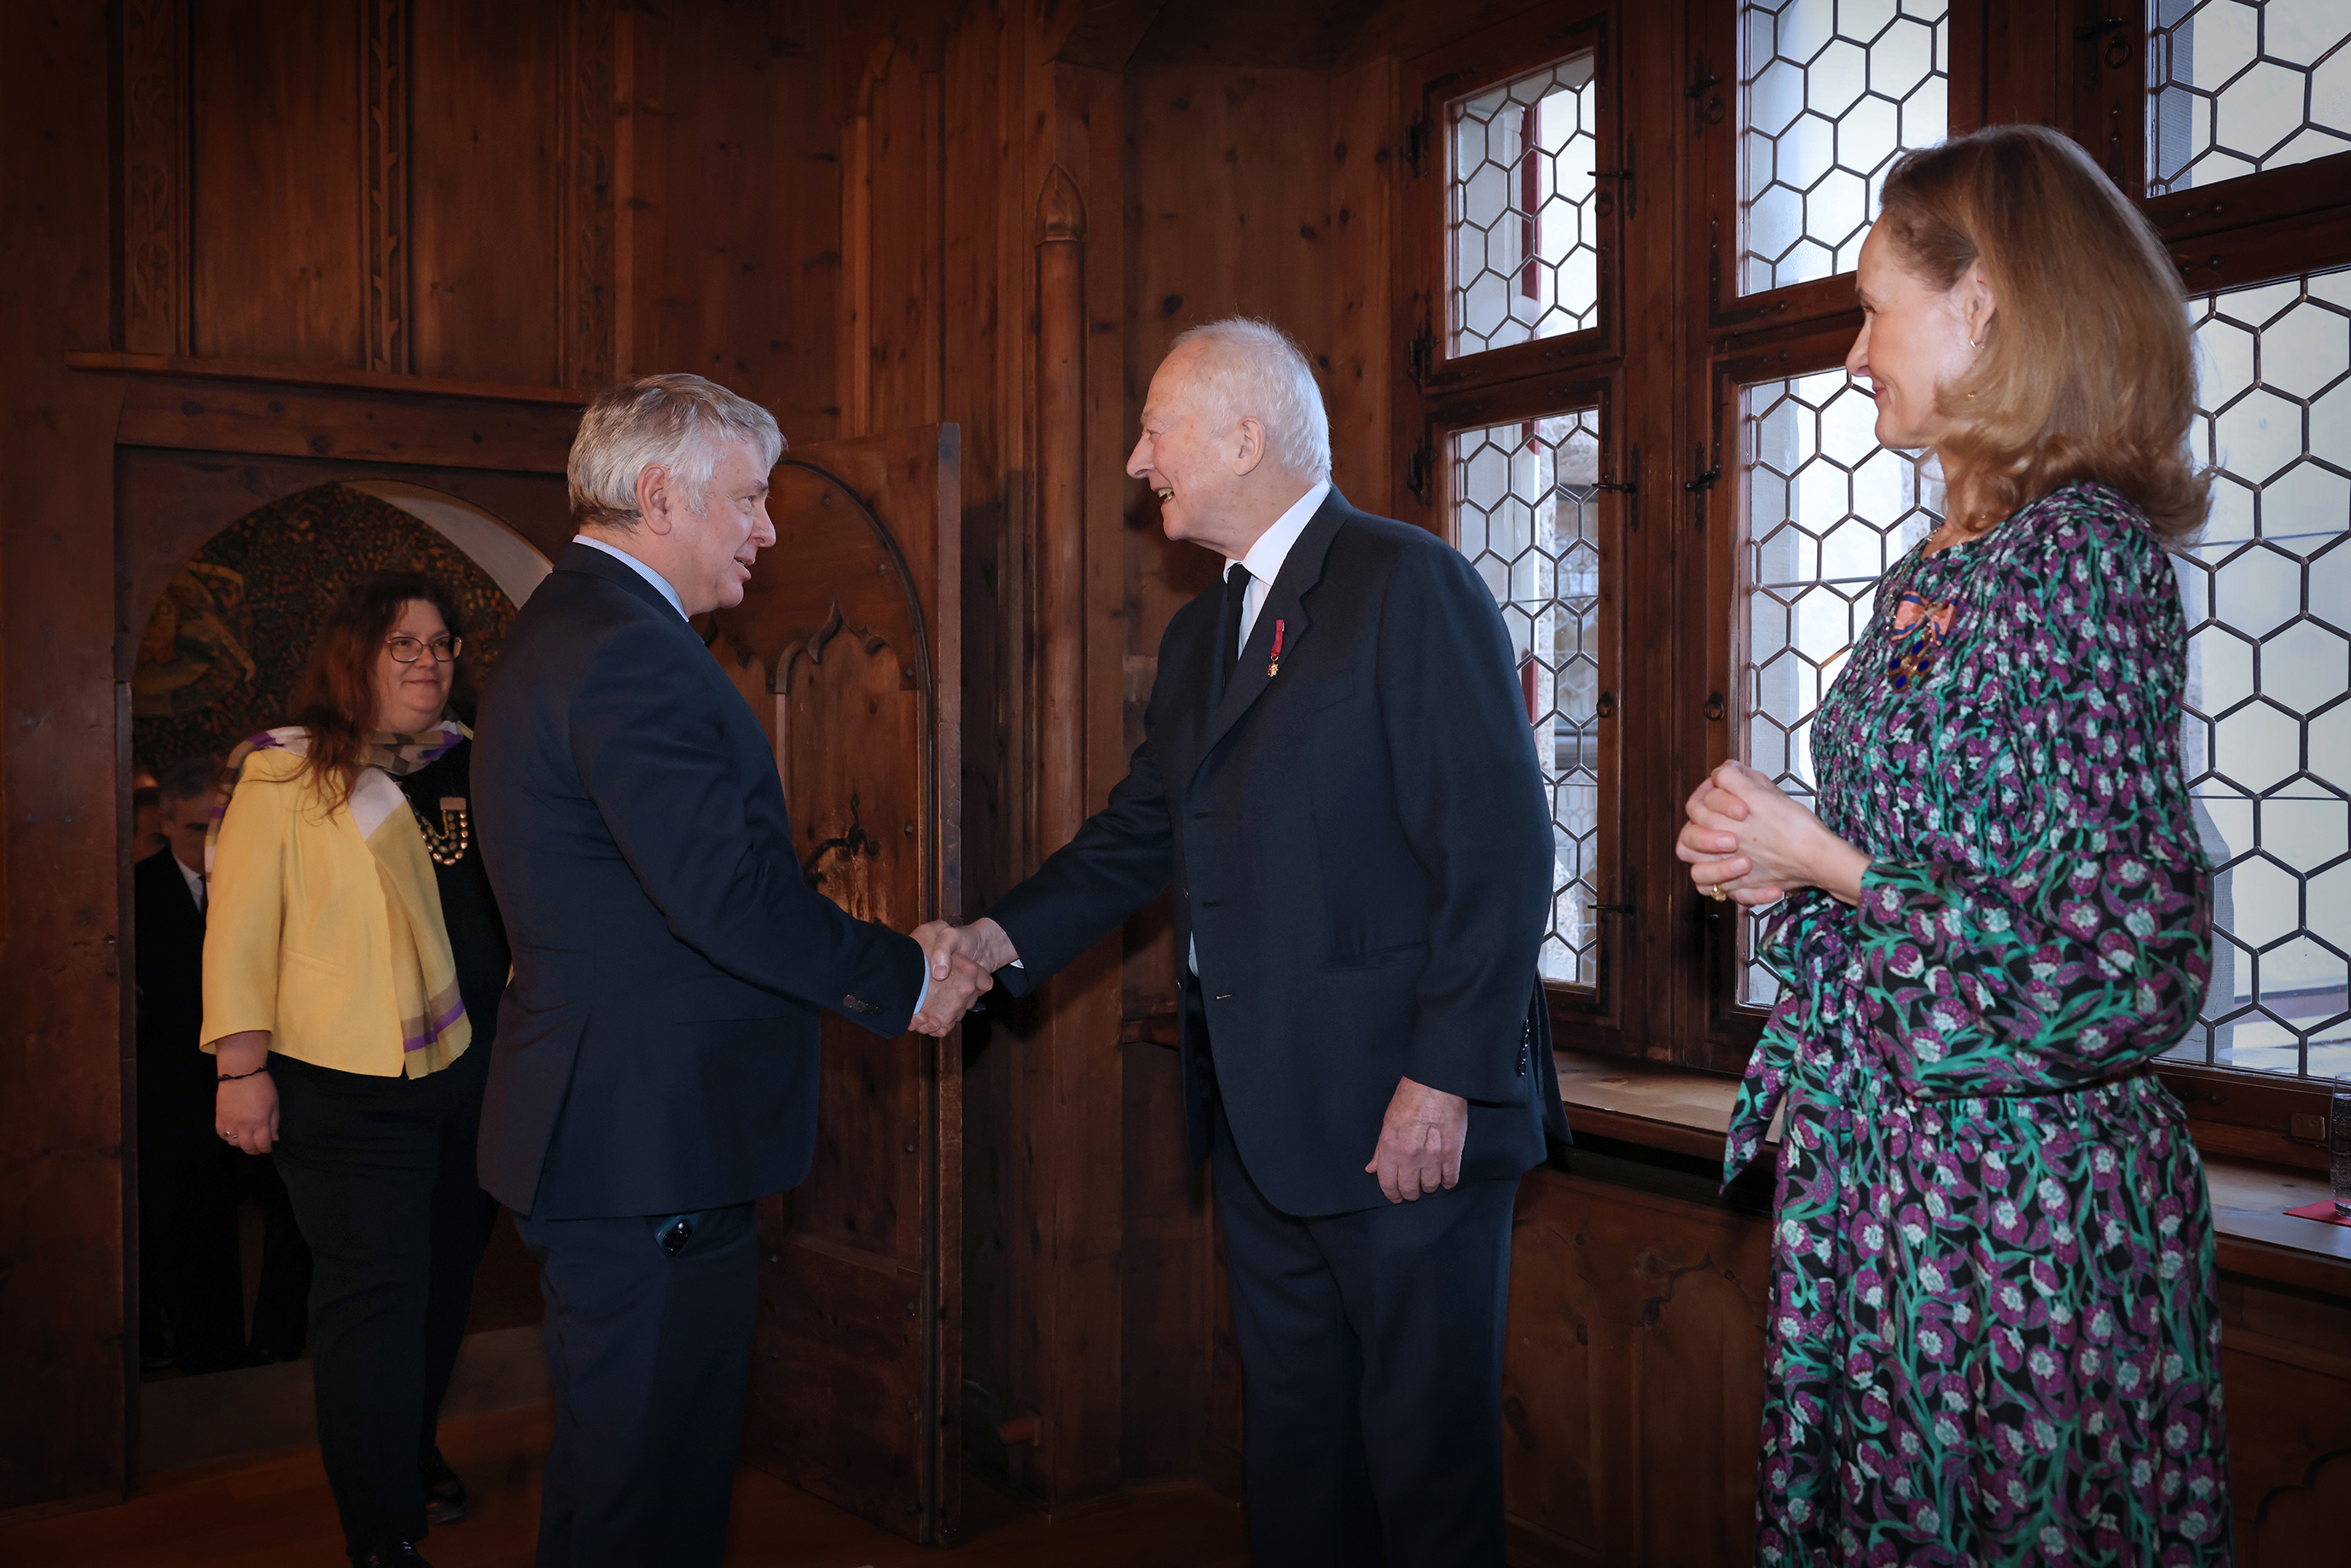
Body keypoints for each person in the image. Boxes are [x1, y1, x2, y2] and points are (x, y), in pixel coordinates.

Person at [925, 317, 1569, 1565]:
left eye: (1153, 430)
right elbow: (1139, 833)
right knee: (1295, 1462)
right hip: (1262, 1128)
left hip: (1407, 1128)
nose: (1135, 460)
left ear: (1243, 435)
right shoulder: (1200, 632)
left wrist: (1440, 1081)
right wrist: (992, 939)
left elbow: (1497, 856)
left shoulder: (1407, 583)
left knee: (1426, 1482)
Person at [1675, 124, 2228, 1564]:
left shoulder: (2080, 558)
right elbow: (1941, 893)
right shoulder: (1938, 569)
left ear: (1980, 307)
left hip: (2014, 1225)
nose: (1854, 351)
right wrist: (1784, 866)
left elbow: (2127, 970)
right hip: (1895, 1191)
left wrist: (1832, 863)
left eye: (1875, 309)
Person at [472, 372, 990, 1568]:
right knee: (648, 1499)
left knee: (621, 1480)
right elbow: (726, 899)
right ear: (660, 496)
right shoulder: (626, 652)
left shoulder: (572, 625)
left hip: (614, 1134)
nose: (765, 528)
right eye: (748, 498)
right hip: (643, 1143)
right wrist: (906, 976)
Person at [206, 572, 511, 1568]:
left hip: (475, 1076)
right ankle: (382, 1531)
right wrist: (239, 1068)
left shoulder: (480, 762)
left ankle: (408, 1449)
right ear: (355, 655)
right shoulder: (285, 774)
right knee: (372, 1301)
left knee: (442, 1287)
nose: (430, 660)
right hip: (343, 1086)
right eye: (403, 643)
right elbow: (240, 928)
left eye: (442, 642)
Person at [136, 755, 245, 1374]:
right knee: (181, 1220)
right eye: (197, 828)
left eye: (219, 828)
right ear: (167, 821)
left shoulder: (250, 881)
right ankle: (197, 1352)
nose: (209, 843)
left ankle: (257, 1345)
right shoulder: (135, 892)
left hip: (251, 1076)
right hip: (172, 1087)